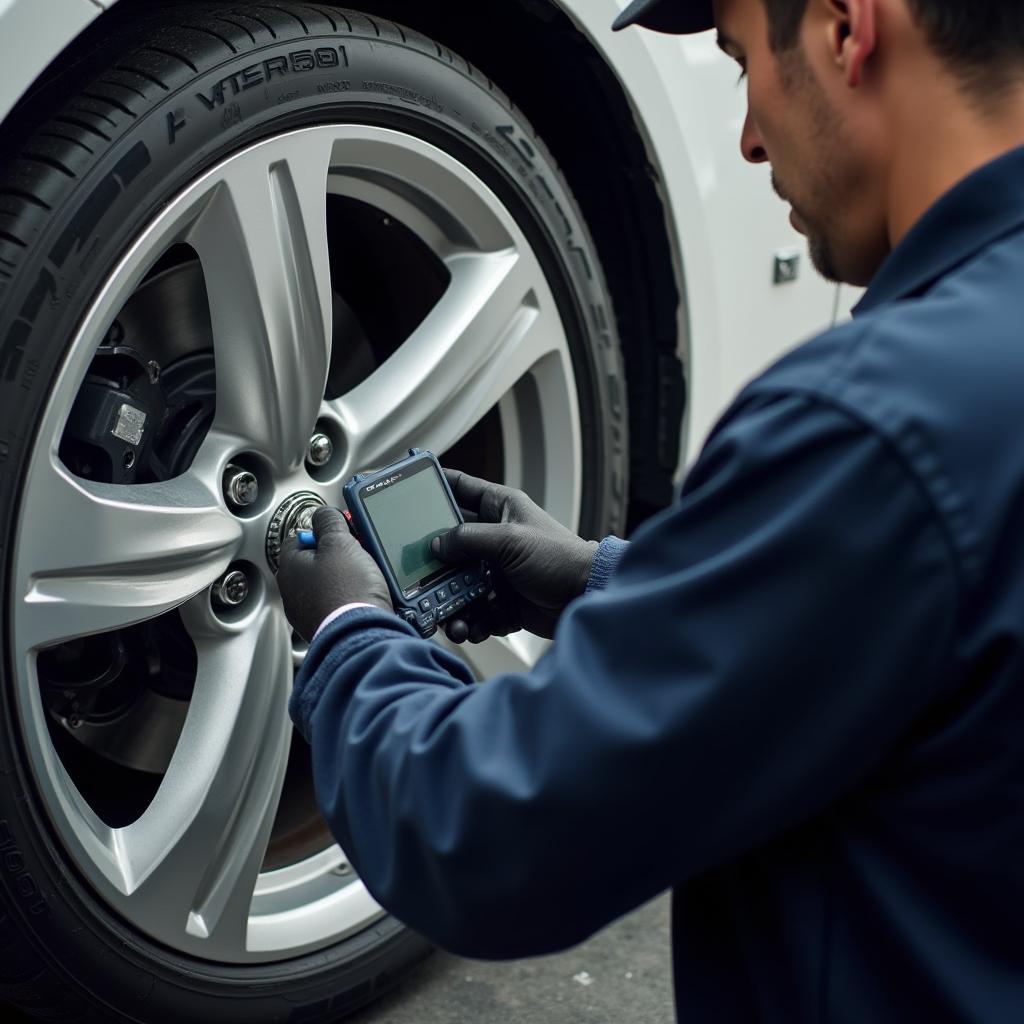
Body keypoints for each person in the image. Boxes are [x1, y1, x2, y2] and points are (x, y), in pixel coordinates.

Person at [276, 0, 1024, 1019]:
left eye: (738, 59)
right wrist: (613, 583)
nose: (750, 137)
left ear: (848, 29)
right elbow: (911, 634)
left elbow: (489, 836)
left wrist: (348, 631)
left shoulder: (870, 427)